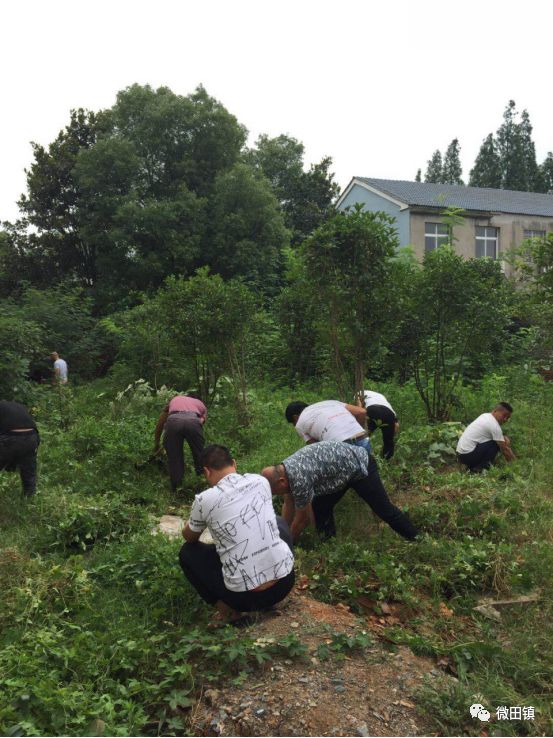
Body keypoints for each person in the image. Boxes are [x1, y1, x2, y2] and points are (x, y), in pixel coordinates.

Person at [179, 444, 295, 626]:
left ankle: (228, 611)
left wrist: (191, 523)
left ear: (206, 472)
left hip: (243, 599)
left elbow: (190, 537)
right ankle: (273, 579)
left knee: (187, 552)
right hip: (285, 584)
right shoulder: (260, 481)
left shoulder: (204, 499)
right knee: (279, 522)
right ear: (234, 463)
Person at [262, 440, 418, 542]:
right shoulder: (285, 469)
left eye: (274, 491)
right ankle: (328, 543)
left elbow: (302, 519)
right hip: (338, 473)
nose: (276, 494)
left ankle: (416, 537)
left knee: (384, 510)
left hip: (360, 466)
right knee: (320, 507)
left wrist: (285, 546)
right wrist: (280, 533)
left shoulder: (298, 478)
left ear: (281, 481)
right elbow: (288, 503)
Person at [154, 394, 207, 491]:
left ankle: (177, 488)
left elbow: (160, 423)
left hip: (173, 421)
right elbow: (201, 421)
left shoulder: (174, 400)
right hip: (193, 421)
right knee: (200, 454)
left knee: (174, 457)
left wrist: (157, 443)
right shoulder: (201, 404)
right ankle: (202, 482)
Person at [285, 400, 372, 454]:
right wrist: (356, 431)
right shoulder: (331, 402)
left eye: (293, 423)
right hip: (362, 439)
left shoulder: (300, 423)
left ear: (295, 417)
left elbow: (317, 447)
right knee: (368, 478)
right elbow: (361, 412)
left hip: (340, 447)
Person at [456, 402, 515, 473]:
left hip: (461, 455)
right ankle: (479, 469)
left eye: (508, 418)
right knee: (495, 444)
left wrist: (503, 438)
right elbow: (505, 450)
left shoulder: (485, 416)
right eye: (504, 415)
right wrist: (515, 464)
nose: (505, 419)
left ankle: (473, 467)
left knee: (498, 441)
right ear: (495, 411)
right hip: (467, 456)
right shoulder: (494, 425)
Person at [0, 400, 40, 497]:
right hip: (32, 437)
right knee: (28, 472)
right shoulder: (17, 405)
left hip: (10, 437)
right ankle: (29, 497)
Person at [359, 389, 399, 460]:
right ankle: (386, 461)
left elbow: (359, 409)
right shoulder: (380, 395)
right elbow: (396, 425)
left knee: (363, 437)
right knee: (388, 442)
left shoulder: (359, 393)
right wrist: (391, 437)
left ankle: (363, 458)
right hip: (389, 413)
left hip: (372, 410)